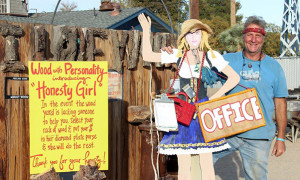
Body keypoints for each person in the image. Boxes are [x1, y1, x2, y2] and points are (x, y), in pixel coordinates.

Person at [138, 13, 240, 180]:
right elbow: (148, 56)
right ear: (184, 37)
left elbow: (234, 78)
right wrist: (146, 29)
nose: (194, 37)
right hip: (183, 114)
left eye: (197, 33)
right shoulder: (178, 55)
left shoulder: (211, 56)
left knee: (206, 161)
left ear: (203, 35)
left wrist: (215, 99)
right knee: (183, 162)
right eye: (190, 33)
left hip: (203, 111)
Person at [213, 16, 289, 180]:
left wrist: (281, 138)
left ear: (263, 39)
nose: (253, 40)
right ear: (243, 37)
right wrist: (175, 54)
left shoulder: (274, 67)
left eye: (258, 36)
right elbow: (198, 67)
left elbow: (281, 103)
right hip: (227, 132)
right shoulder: (227, 60)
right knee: (198, 161)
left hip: (259, 137)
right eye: (249, 35)